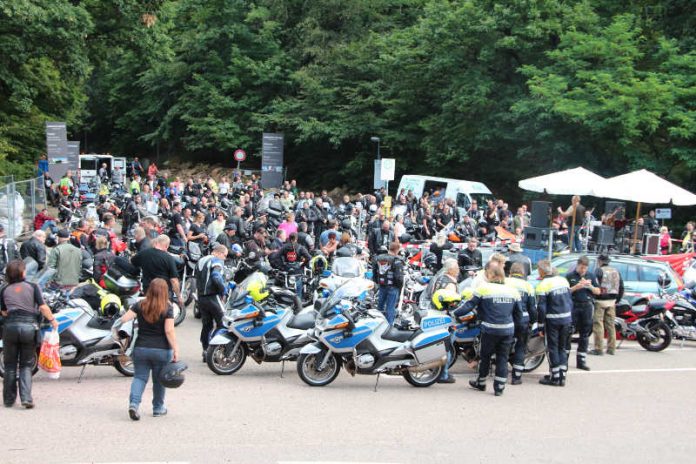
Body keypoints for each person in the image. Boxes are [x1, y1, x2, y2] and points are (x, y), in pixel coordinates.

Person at [456, 265, 523, 397]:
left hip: (489, 329)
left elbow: (469, 305)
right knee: (502, 358)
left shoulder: (484, 289)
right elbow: (518, 314)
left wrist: (454, 313)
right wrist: (517, 332)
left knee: (485, 356)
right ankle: (499, 387)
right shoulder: (513, 291)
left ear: (491, 275)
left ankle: (481, 383)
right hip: (507, 330)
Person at [1, 260, 58, 408]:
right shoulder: (33, 287)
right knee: (26, 365)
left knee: (10, 365)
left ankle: (8, 399)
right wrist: (52, 320)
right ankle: (26, 398)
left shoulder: (4, 289)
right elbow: (43, 307)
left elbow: (4, 311)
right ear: (22, 272)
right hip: (29, 328)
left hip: (10, 328)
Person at [119, 278, 179, 420]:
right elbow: (169, 331)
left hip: (141, 348)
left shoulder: (140, 305)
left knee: (139, 378)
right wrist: (175, 348)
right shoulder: (167, 308)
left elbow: (124, 319)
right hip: (162, 350)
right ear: (165, 292)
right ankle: (158, 408)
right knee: (159, 380)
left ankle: (134, 405)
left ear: (149, 290)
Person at [536, 260, 573, 386]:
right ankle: (562, 375)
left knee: (552, 348)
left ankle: (555, 377)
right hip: (566, 319)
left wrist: (540, 325)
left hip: (552, 320)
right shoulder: (563, 281)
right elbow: (570, 301)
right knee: (562, 347)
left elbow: (541, 308)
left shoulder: (543, 285)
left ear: (541, 271)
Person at [505, 262, 537, 384]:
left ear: (510, 272)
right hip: (523, 321)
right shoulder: (528, 286)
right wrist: (533, 322)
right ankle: (516, 377)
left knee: (504, 346)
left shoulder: (505, 282)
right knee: (521, 347)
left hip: (507, 319)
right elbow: (532, 308)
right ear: (523, 273)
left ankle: (500, 371)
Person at [566, 256, 600, 370]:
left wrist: (589, 286)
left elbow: (598, 291)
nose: (583, 271)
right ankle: (564, 359)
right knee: (568, 332)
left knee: (585, 334)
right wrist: (576, 287)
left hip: (587, 306)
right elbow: (566, 292)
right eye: (581, 268)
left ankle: (581, 361)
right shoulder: (570, 276)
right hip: (574, 306)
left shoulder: (591, 275)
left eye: (585, 268)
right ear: (577, 265)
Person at [131, 235, 183, 306]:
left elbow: (133, 262)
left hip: (148, 290)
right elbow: (174, 280)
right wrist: (179, 297)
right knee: (164, 314)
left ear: (156, 242)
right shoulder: (169, 258)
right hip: (164, 292)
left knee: (148, 312)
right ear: (167, 246)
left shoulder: (144, 253)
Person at [196, 244, 228, 360]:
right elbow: (216, 276)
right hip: (212, 296)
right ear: (218, 253)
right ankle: (213, 350)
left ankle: (205, 350)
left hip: (201, 298)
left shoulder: (201, 260)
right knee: (224, 323)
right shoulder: (217, 261)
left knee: (207, 325)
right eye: (225, 256)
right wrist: (224, 290)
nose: (224, 258)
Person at [592, 254, 624, 356]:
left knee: (598, 324)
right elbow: (621, 287)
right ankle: (611, 348)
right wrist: (617, 300)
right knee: (610, 325)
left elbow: (594, 285)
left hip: (600, 300)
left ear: (600, 261)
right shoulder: (616, 271)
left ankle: (599, 348)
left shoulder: (598, 271)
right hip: (612, 301)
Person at [372, 242, 404, 326]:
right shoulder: (397, 260)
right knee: (390, 308)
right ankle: (389, 328)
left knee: (380, 307)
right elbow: (399, 278)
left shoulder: (378, 258)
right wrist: (399, 287)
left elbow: (374, 273)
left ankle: (377, 325)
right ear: (397, 250)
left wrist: (378, 282)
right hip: (393, 287)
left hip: (382, 286)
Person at [277, 233, 311, 299]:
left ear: (289, 239)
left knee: (285, 283)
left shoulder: (284, 247)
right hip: (297, 269)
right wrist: (303, 265)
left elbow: (276, 256)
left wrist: (281, 266)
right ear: (296, 239)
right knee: (298, 286)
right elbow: (309, 257)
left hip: (287, 268)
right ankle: (298, 302)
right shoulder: (300, 247)